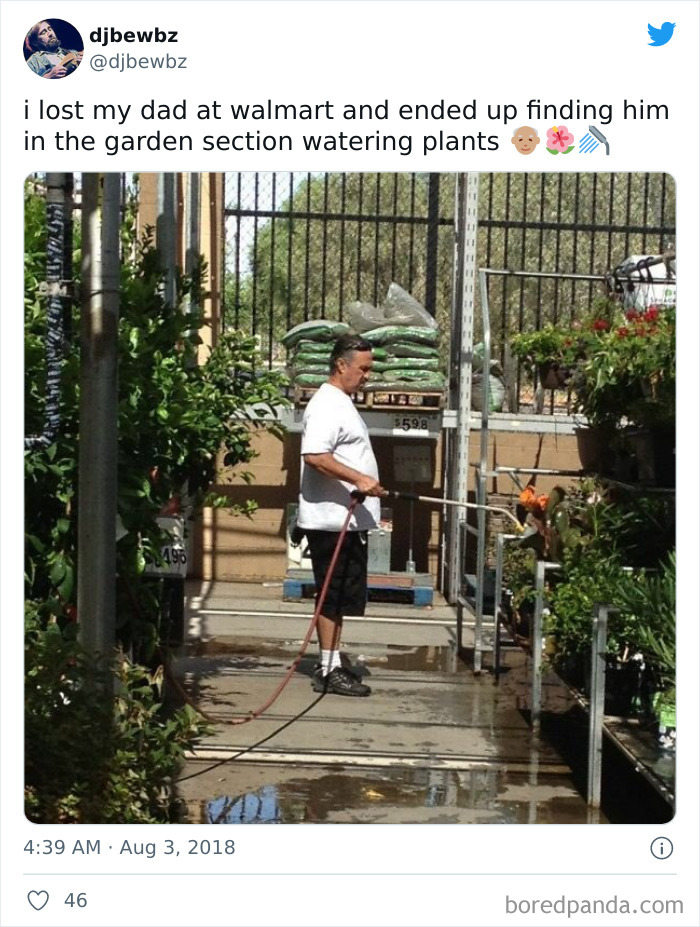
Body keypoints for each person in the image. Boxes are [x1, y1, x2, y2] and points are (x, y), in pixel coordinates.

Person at [297, 333, 385, 697]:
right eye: (363, 369)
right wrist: (359, 478)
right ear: (341, 365)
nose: (367, 376)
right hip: (332, 520)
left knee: (342, 594)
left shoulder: (342, 402)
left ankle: (332, 659)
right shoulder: (326, 405)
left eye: (370, 369)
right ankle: (328, 668)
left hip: (345, 521)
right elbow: (315, 456)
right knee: (331, 595)